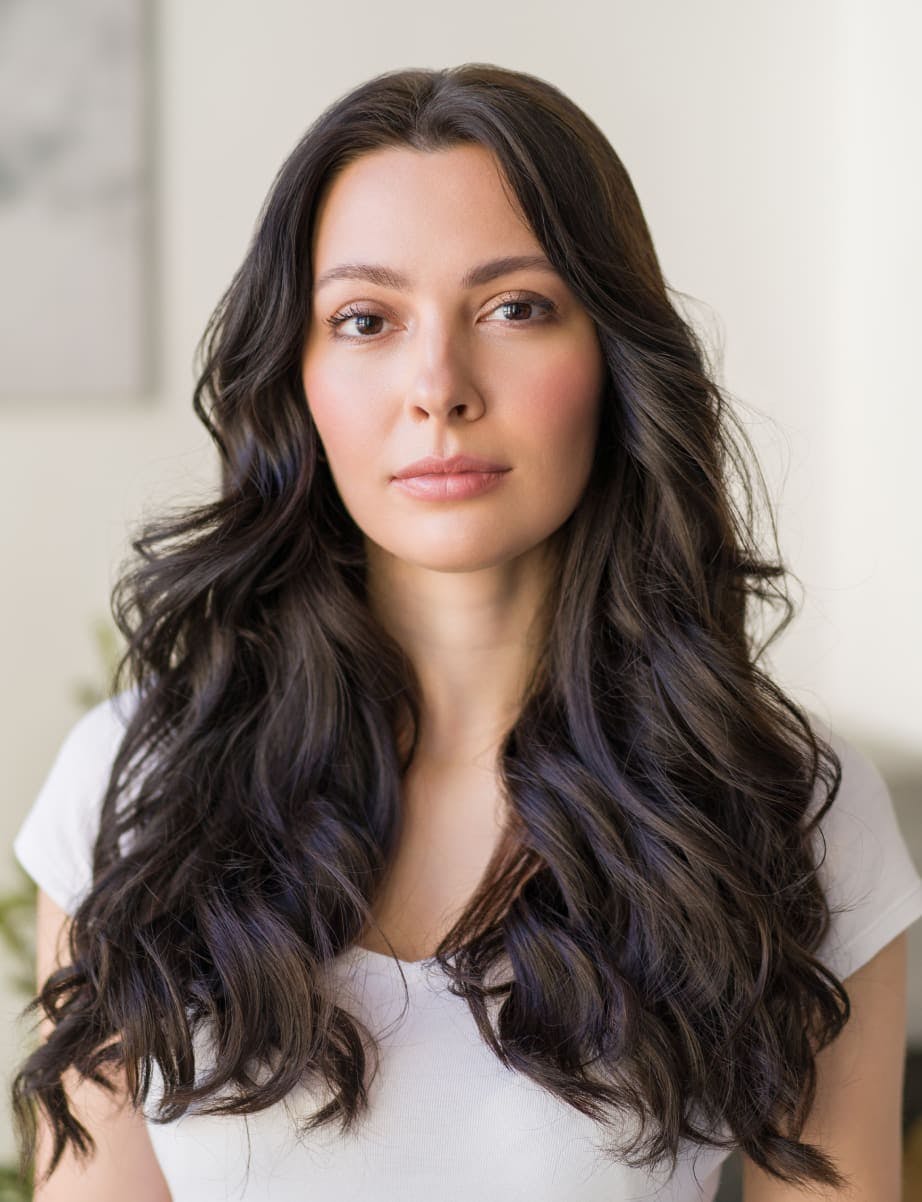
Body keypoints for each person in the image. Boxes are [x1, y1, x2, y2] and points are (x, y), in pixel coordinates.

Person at [10, 63, 922, 1202]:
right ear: (298, 378)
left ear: (612, 358)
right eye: (364, 319)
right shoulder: (133, 783)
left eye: (515, 307)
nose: (437, 384)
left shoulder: (788, 812)